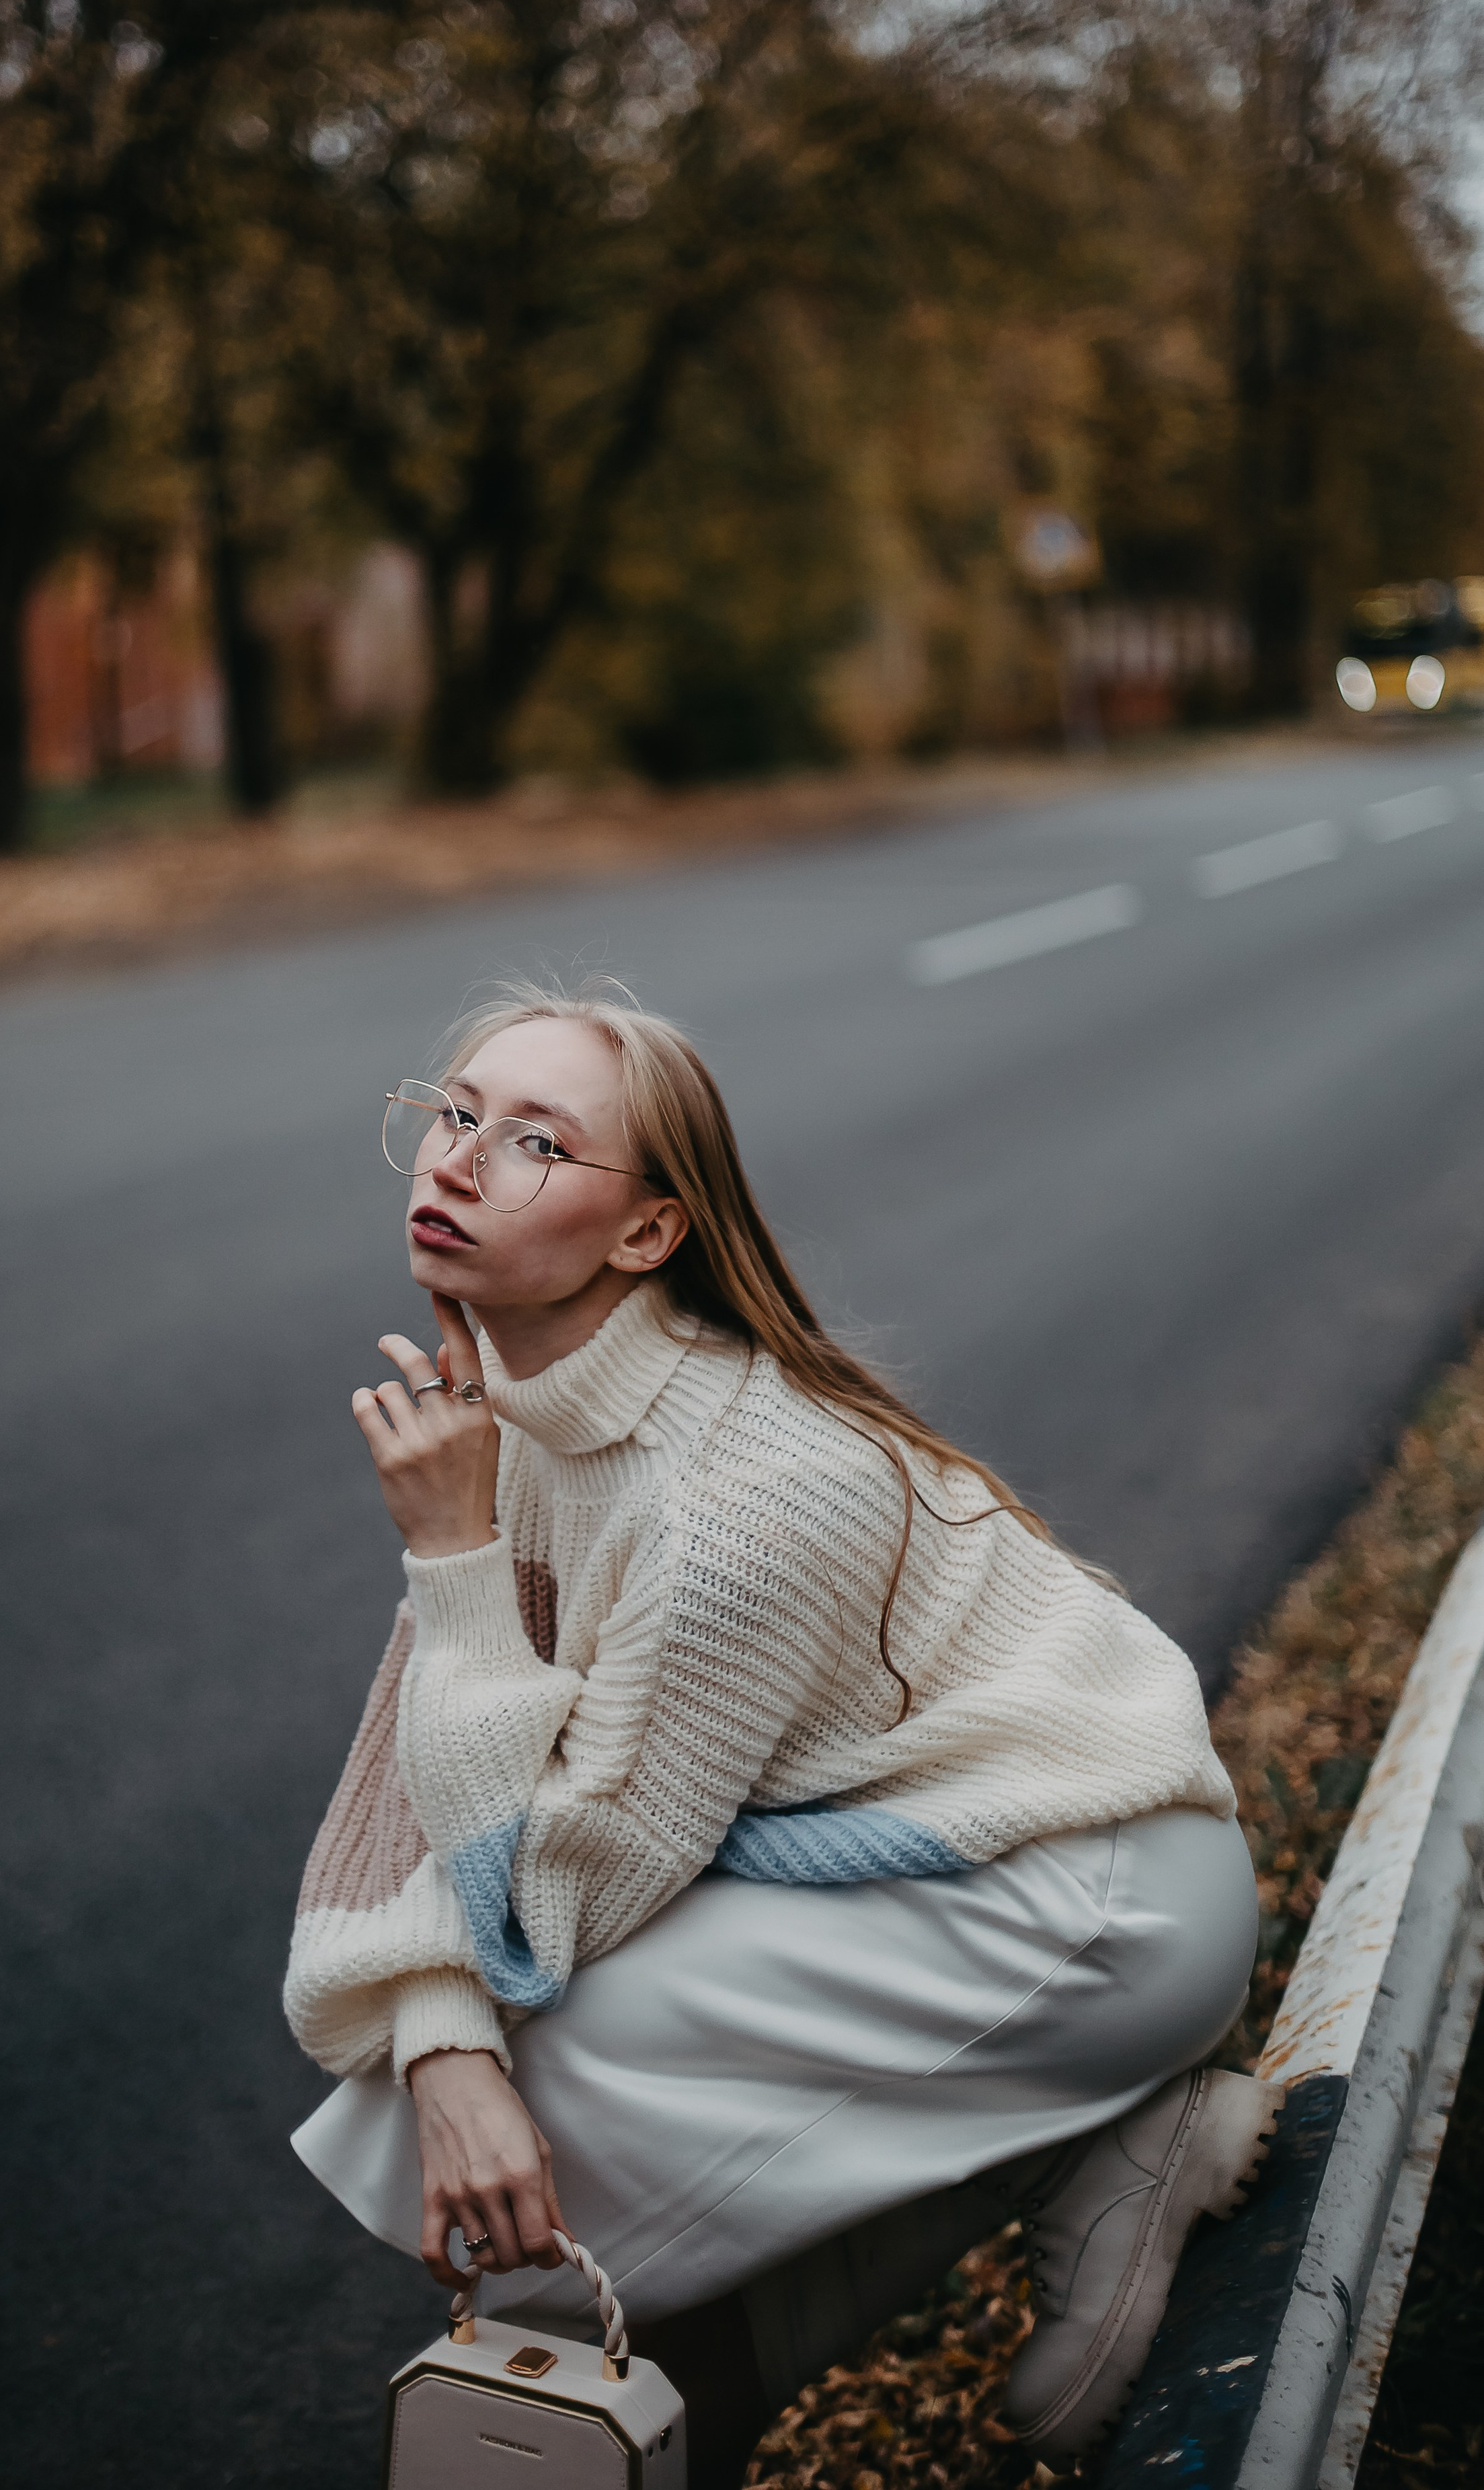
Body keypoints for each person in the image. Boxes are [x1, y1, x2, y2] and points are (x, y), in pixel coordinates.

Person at [284, 986, 1274, 2483]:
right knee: (491, 2113)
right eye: (456, 1112)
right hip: (894, 1871)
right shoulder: (518, 1420)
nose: (458, 1160)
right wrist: (436, 2043)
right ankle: (1052, 2179)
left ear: (645, 1236)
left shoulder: (737, 1502)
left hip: (1084, 1895)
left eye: (535, 1141)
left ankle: (1084, 2134)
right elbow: (411, 1801)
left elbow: (547, 1910)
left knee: (538, 2106)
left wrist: (450, 1560)